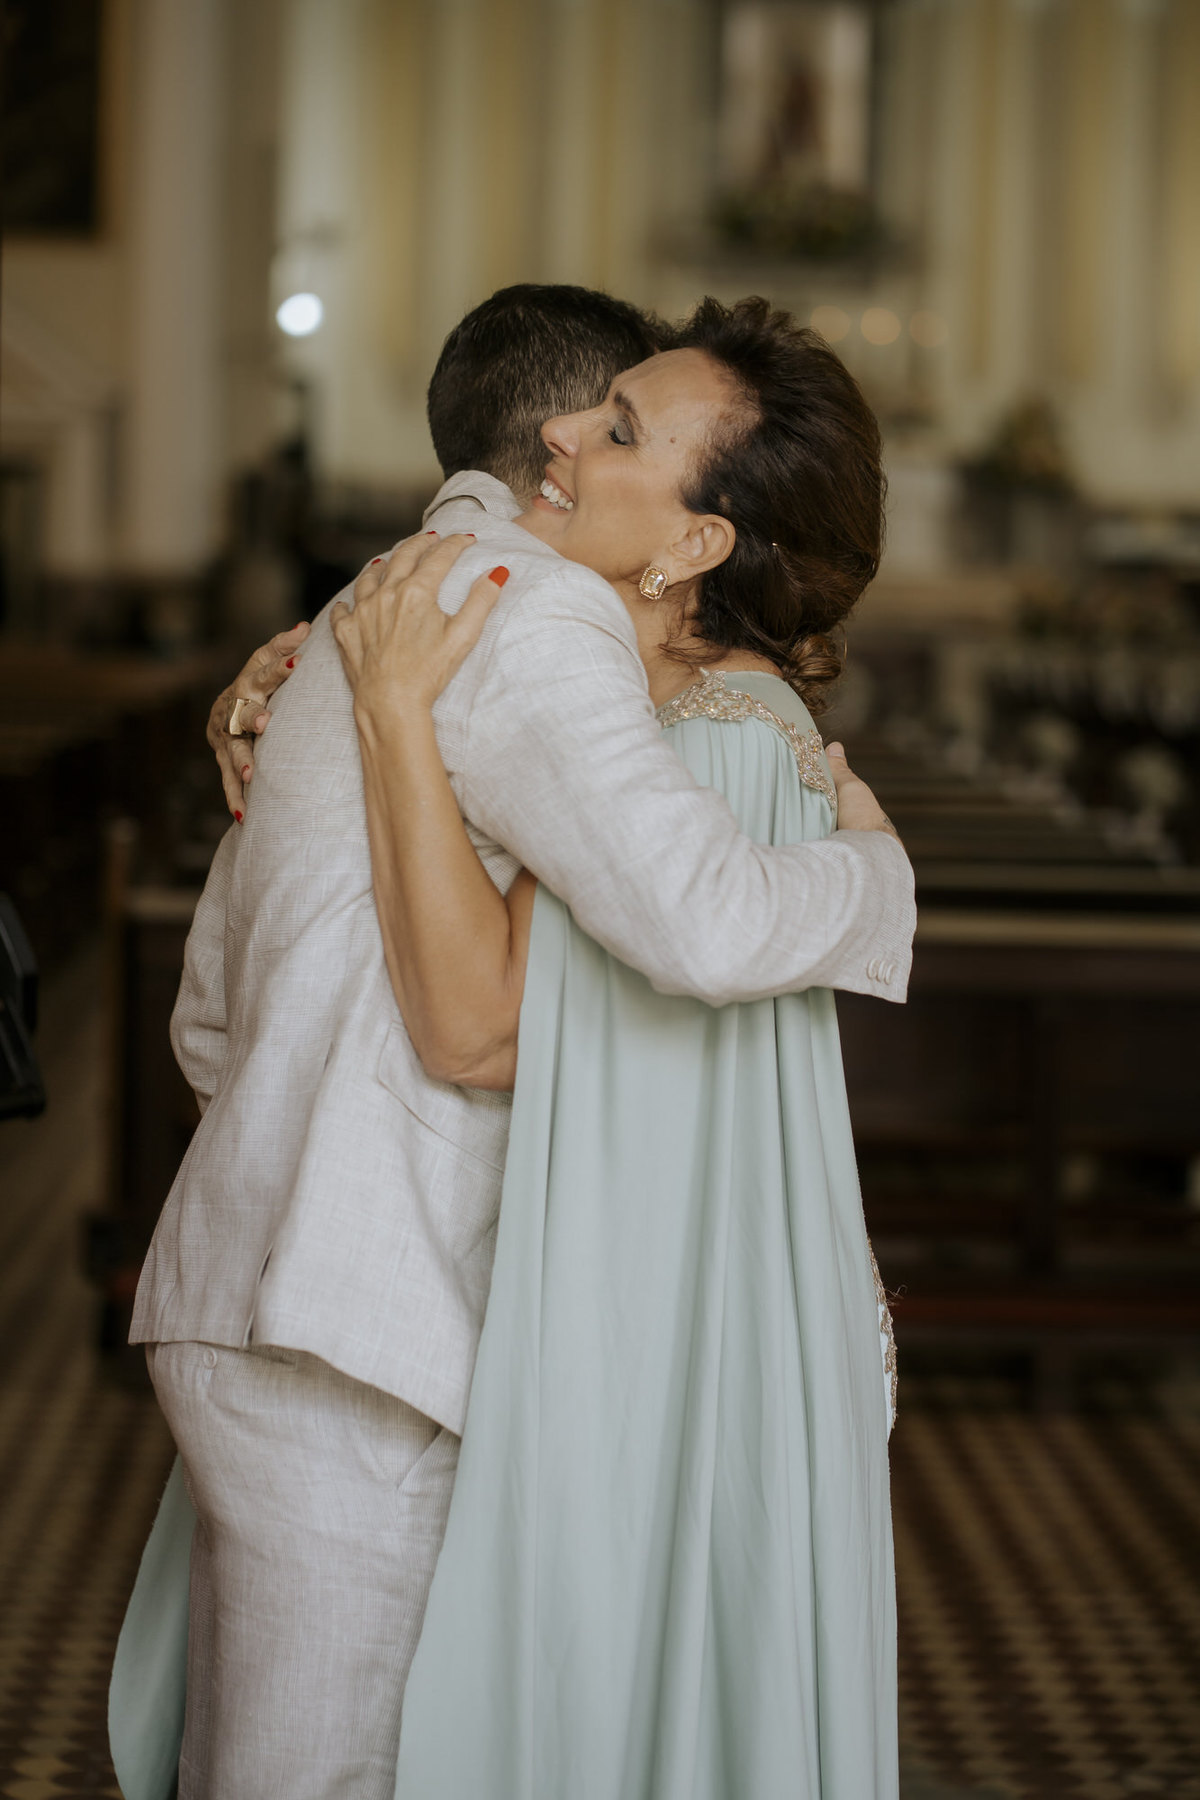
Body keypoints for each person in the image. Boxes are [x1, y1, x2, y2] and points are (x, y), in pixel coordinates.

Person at [114, 285, 913, 1800]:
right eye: (594, 413)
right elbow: (690, 928)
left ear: (699, 541)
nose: (571, 442)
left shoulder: (394, 601)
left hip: (276, 1287)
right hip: (359, 1324)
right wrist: (879, 877)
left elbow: (208, 1011)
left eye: (620, 429)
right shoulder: (526, 615)